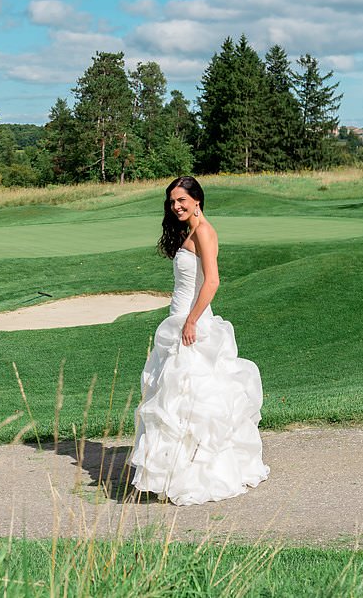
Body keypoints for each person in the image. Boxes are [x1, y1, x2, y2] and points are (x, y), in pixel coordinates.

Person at [129, 176, 269, 505]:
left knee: (194, 397)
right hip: (177, 320)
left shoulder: (204, 231)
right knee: (173, 400)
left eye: (181, 200)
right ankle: (172, 473)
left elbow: (213, 281)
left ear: (197, 200)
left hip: (193, 324)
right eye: (172, 202)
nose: (176, 206)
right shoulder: (187, 231)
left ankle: (197, 475)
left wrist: (191, 320)